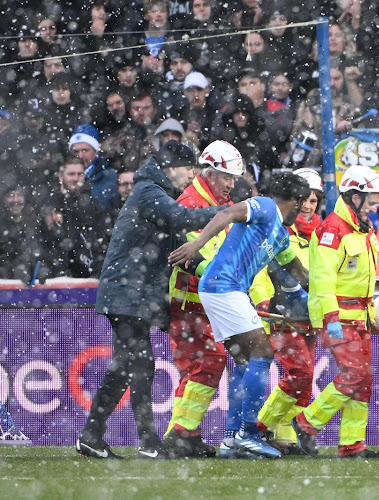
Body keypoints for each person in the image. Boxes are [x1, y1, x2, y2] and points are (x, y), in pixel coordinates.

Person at [76, 141, 226, 460]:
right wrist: (228, 214)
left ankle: (93, 436)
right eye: (189, 170)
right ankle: (147, 442)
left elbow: (179, 253)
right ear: (171, 167)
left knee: (126, 367)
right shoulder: (149, 192)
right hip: (129, 293)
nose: (191, 177)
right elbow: (182, 218)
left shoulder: (154, 194)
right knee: (141, 365)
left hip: (130, 293)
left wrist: (211, 272)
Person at [168, 172, 312, 459]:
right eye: (305, 202)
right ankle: (248, 433)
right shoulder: (266, 207)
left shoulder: (281, 237)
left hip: (224, 290)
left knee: (246, 363)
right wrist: (196, 245)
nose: (307, 209)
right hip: (223, 286)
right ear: (295, 202)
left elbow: (299, 274)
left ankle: (231, 440)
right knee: (263, 353)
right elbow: (228, 213)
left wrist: (321, 302)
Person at [291, 165, 379, 459]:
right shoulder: (333, 230)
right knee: (355, 374)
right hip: (340, 316)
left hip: (360, 316)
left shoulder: (362, 227)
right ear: (354, 197)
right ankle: (306, 422)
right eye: (370, 201)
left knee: (362, 381)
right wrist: (331, 317)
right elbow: (322, 280)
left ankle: (352, 444)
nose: (374, 207)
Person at [162, 141, 245, 458]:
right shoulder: (193, 206)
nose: (232, 184)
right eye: (227, 177)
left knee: (196, 368)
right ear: (210, 174)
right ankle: (183, 434)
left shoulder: (210, 203)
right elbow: (196, 259)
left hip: (204, 303)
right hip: (191, 304)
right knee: (209, 363)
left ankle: (182, 436)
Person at [254, 168, 324, 455]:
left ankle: (285, 436)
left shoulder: (321, 233)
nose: (307, 207)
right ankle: (260, 428)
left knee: (303, 380)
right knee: (299, 372)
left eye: (313, 201)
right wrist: (262, 303)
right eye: (303, 200)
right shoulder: (278, 229)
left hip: (309, 316)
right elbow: (258, 269)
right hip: (280, 315)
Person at [69, 124, 119, 212]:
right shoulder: (65, 175)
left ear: (95, 151)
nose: (80, 156)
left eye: (85, 150)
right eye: (76, 151)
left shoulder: (109, 176)